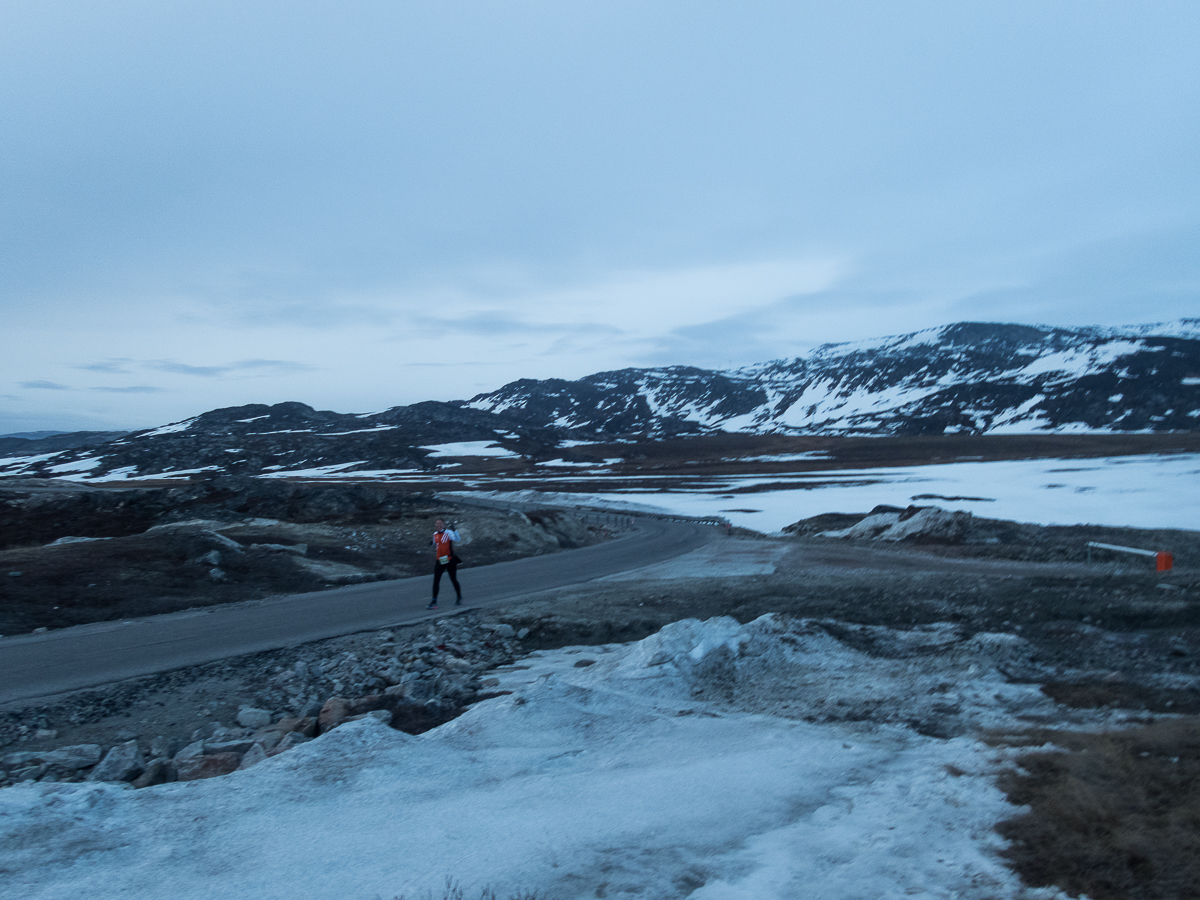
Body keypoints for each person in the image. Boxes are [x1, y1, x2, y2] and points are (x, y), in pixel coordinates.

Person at [427, 518, 462, 609]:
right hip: (440, 561)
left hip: (450, 560)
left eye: (440, 523)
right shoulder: (435, 534)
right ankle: (434, 601)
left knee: (453, 579)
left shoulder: (449, 533)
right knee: (436, 581)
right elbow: (435, 543)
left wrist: (455, 530)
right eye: (437, 524)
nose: (438, 525)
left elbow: (457, 539)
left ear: (444, 524)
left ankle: (459, 597)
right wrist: (431, 543)